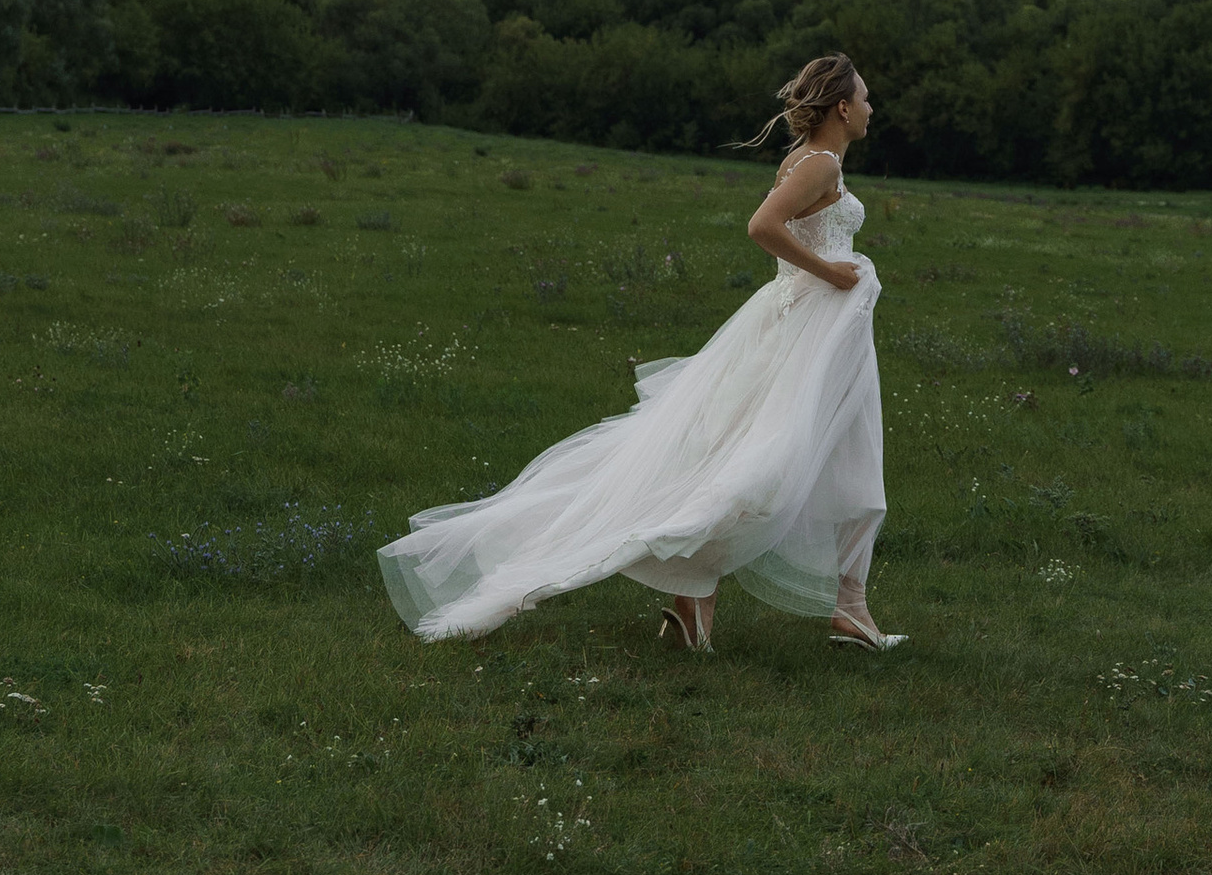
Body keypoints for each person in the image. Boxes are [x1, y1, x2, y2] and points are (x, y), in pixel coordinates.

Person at [376, 50, 904, 650]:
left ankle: (731, 605)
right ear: (841, 106)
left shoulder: (809, 160)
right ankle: (821, 605)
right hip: (809, 327)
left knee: (811, 460)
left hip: (815, 329)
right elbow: (762, 227)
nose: (869, 107)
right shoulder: (820, 166)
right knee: (764, 469)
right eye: (863, 97)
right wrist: (832, 275)